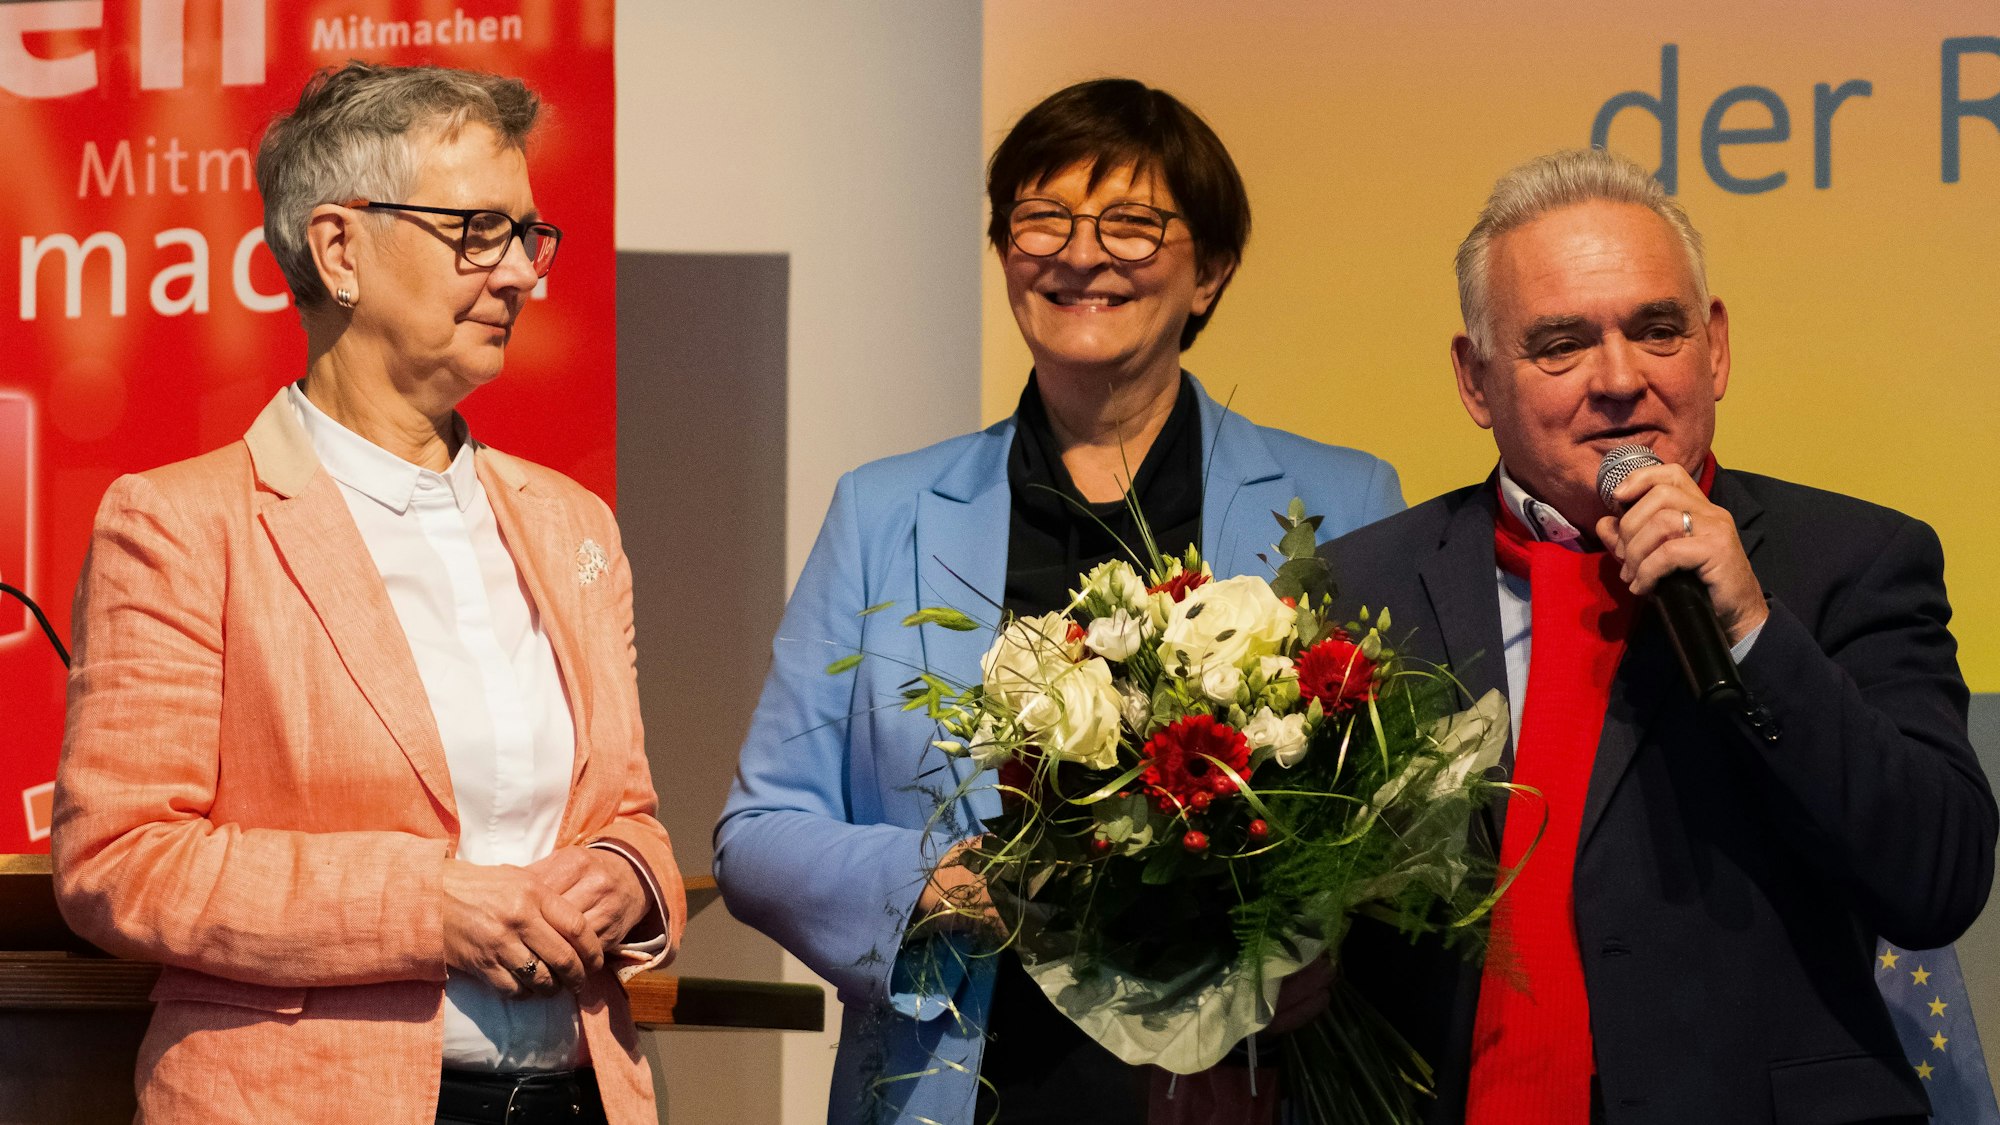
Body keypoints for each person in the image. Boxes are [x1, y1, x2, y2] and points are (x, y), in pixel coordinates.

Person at [716, 78, 1404, 1124]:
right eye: (1041, 219)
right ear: (1003, 254)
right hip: (962, 1086)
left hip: (1230, 1093)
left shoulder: (1339, 501)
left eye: (1131, 223)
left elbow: (1391, 835)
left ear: (1209, 271)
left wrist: (1322, 945)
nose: (1080, 256)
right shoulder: (884, 512)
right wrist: (940, 884)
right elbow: (759, 833)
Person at [52, 63, 684, 1125]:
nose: (522, 272)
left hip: (576, 1095)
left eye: (530, 235)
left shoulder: (573, 524)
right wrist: (426, 905)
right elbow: (121, 860)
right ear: (339, 248)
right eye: (477, 229)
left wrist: (626, 877)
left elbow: (627, 813)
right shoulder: (181, 523)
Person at [1322, 147, 1996, 1124]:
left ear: (1713, 347)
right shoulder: (1360, 591)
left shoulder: (1851, 559)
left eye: (1656, 330)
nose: (1618, 379)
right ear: (1474, 381)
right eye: (1558, 343)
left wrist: (1751, 628)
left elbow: (1934, 880)